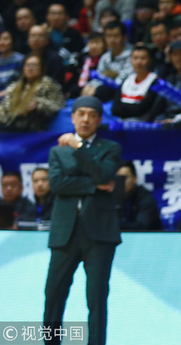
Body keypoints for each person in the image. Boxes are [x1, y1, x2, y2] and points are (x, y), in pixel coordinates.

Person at [44, 96, 122, 345]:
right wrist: (96, 185)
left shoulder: (110, 148)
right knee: (54, 294)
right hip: (64, 231)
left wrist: (78, 147)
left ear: (99, 119)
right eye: (81, 114)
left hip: (99, 233)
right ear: (73, 117)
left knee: (97, 298)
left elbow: (104, 173)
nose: (86, 119)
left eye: (91, 115)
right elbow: (57, 185)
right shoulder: (57, 150)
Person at [0, 54, 64, 131]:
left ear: (41, 68)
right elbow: (3, 107)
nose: (30, 68)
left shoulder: (49, 85)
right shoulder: (14, 87)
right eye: (28, 65)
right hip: (10, 124)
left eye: (34, 65)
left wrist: (38, 105)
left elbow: (59, 106)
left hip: (33, 125)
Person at [111, 45, 158, 121]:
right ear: (131, 60)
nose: (138, 62)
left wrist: (124, 108)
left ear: (150, 60)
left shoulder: (155, 81)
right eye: (135, 58)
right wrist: (134, 107)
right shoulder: (126, 80)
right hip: (121, 121)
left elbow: (143, 110)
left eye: (143, 58)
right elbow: (115, 109)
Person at [116, 161, 162, 230]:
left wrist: (112, 226)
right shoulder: (111, 197)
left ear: (135, 178)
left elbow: (142, 226)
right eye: (118, 178)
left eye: (125, 178)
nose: (121, 182)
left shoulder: (145, 198)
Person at [0, 29, 25, 98]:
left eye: (5, 39)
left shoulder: (21, 60)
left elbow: (22, 83)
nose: (2, 42)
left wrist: (2, 93)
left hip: (14, 98)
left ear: (13, 41)